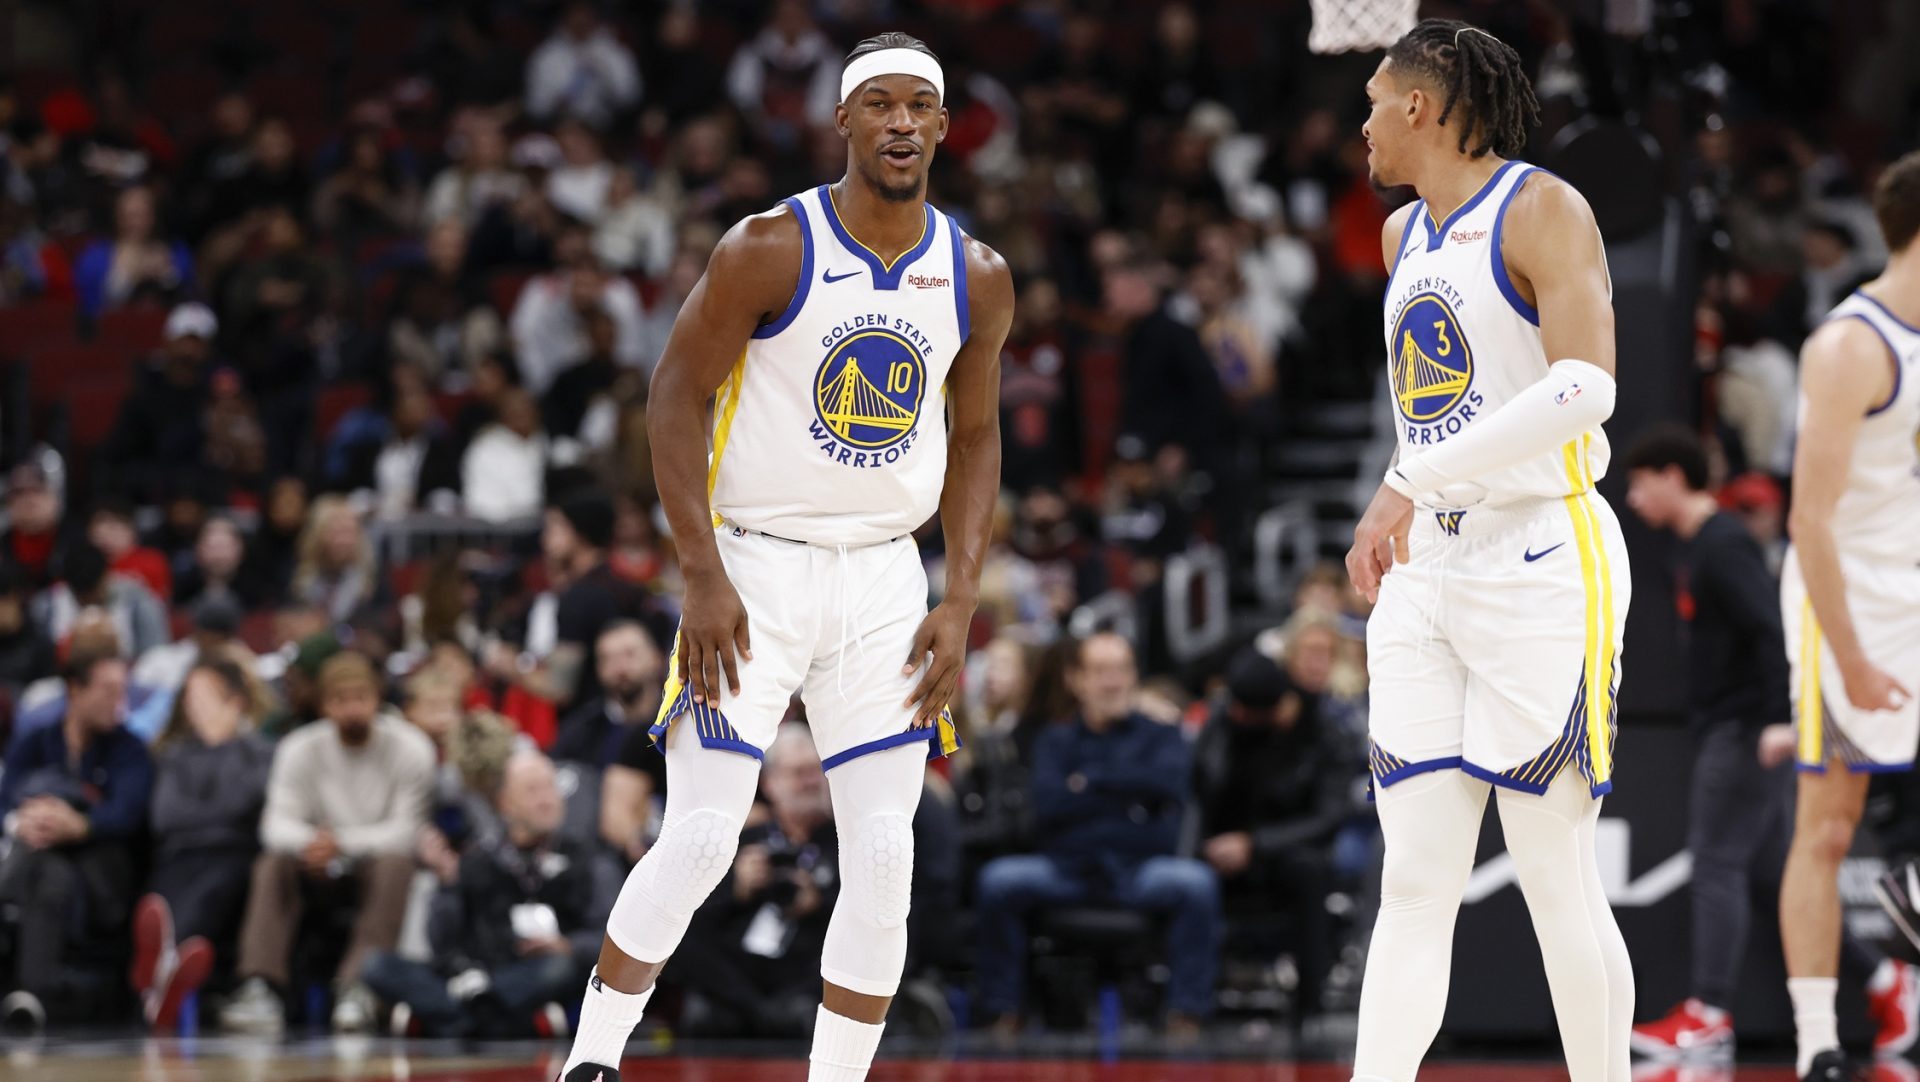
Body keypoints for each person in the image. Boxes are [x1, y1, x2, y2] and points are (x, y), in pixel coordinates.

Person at [553, 32, 1010, 1082]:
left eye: (919, 107)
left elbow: (978, 438)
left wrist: (961, 599)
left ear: (942, 127)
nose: (900, 122)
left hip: (889, 577)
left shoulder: (976, 276)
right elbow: (671, 395)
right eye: (879, 104)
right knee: (706, 835)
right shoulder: (769, 245)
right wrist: (701, 573)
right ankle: (592, 1057)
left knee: (886, 855)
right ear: (842, 121)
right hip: (753, 568)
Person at [1344, 21, 1633, 1082]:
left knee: (1555, 870)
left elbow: (1585, 387)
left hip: (1542, 554)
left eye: (1373, 101)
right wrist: (1404, 488)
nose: (1362, 124)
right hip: (1433, 570)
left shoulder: (1543, 207)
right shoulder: (1400, 237)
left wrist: (1409, 483)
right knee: (1414, 878)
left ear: (1419, 106)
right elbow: (1438, 415)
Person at [1623, 428, 1918, 1062]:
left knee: (1716, 867)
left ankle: (1707, 1015)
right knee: (1776, 877)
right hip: (1739, 729)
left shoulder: (1722, 544)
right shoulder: (1706, 544)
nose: (1633, 497)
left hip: (1744, 735)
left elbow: (1772, 629)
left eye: (1641, 481)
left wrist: (1780, 722)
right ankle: (1889, 981)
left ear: (1674, 475)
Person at [1774, 151, 1920, 1081]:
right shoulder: (1850, 345)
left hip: (1913, 584)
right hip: (1846, 600)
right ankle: (1818, 1042)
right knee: (1829, 825)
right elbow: (1808, 520)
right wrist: (1857, 658)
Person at [972, 632, 1218, 1036]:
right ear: (1077, 679)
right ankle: (1004, 1012)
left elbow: (1170, 794)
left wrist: (1087, 783)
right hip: (1068, 869)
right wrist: (1132, 796)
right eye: (1101, 671)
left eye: (1121, 670)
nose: (1113, 681)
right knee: (999, 882)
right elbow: (1047, 810)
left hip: (1141, 868)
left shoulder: (1162, 735)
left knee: (1197, 885)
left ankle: (1185, 1016)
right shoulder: (1055, 739)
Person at [220, 653, 436, 1034]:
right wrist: (312, 845)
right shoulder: (299, 748)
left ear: (378, 698)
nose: (352, 708)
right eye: (341, 699)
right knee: (272, 863)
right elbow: (275, 825)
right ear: (323, 705)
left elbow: (407, 831)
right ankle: (261, 988)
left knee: (395, 864)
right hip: (314, 865)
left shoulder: (410, 748)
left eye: (361, 697)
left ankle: (359, 987)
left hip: (372, 864)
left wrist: (341, 844)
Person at [362, 750, 610, 1039]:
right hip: (474, 973)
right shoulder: (477, 857)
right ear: (505, 803)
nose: (547, 799)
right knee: (376, 965)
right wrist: (448, 883)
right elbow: (441, 942)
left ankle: (460, 1018)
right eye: (532, 790)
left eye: (551, 788)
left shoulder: (587, 859)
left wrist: (568, 945)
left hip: (532, 973)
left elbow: (608, 936)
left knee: (561, 969)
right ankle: (485, 1018)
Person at [1194, 642, 1359, 1029]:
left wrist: (1255, 844)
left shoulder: (1322, 730)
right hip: (1221, 847)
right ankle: (1188, 1008)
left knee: (1309, 871)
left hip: (1288, 851)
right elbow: (1202, 791)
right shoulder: (1225, 723)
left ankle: (1310, 1011)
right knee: (1188, 878)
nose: (1240, 718)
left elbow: (1327, 817)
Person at [0, 641, 148, 1027]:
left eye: (122, 691)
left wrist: (80, 825)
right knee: (48, 870)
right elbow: (4, 802)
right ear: (75, 690)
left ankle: (30, 994)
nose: (118, 702)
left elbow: (128, 813)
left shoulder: (129, 749)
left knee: (42, 867)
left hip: (101, 877)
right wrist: (24, 822)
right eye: (107, 690)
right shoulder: (35, 741)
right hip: (40, 867)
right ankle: (32, 996)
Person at [133, 656, 274, 1029]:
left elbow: (243, 804)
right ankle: (168, 970)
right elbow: (166, 816)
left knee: (215, 885)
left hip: (232, 855)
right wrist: (215, 815)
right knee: (158, 898)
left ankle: (162, 971)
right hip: (178, 856)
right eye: (189, 695)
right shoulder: (174, 754)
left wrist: (221, 748)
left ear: (234, 701)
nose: (192, 704)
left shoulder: (258, 753)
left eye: (202, 694)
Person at [553, 620, 665, 768]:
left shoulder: (680, 719)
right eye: (607, 659)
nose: (620, 668)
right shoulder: (580, 731)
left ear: (656, 659)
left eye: (629, 655)